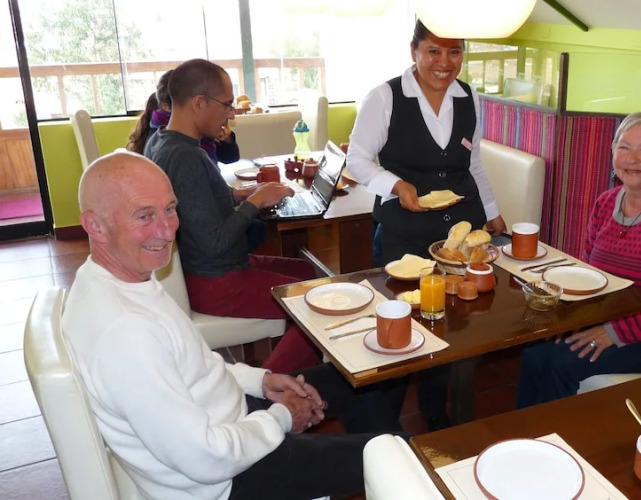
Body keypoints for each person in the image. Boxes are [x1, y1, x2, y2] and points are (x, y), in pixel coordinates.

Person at [62, 151, 403, 500]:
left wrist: (261, 381)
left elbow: (194, 365)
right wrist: (283, 417)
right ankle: (397, 470)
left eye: (170, 208)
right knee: (401, 457)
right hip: (226, 482)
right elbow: (203, 459)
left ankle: (390, 475)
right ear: (95, 225)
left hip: (231, 425)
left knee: (366, 380)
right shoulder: (125, 332)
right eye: (144, 215)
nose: (167, 230)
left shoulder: (117, 281)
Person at [345, 20, 506, 430]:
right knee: (398, 324)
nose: (444, 62)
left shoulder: (469, 97)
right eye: (433, 50)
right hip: (404, 235)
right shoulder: (385, 97)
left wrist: (491, 209)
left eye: (454, 52)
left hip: (459, 234)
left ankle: (436, 413)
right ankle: (382, 423)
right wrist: (395, 185)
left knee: (450, 323)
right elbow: (357, 159)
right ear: (413, 50)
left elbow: (472, 162)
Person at [517, 112, 641, 407]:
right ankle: (527, 431)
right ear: (613, 152)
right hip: (610, 318)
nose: (632, 158)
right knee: (534, 347)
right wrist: (576, 318)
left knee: (557, 362)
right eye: (624, 147)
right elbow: (586, 272)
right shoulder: (607, 202)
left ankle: (554, 433)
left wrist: (614, 332)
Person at [144, 59, 318, 373]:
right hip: (215, 280)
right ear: (199, 103)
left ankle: (289, 365)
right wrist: (255, 203)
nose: (231, 114)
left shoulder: (161, 140)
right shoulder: (185, 156)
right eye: (226, 105)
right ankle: (265, 389)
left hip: (209, 267)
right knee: (316, 305)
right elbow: (214, 242)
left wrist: (242, 195)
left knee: (307, 271)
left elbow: (196, 203)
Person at [127, 69, 240, 164]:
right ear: (166, 106)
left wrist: (226, 139)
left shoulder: (175, 136)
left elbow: (230, 157)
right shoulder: (179, 149)